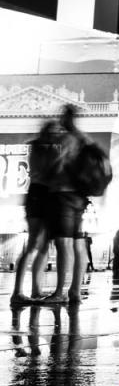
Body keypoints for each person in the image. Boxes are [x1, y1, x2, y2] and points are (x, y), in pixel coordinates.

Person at [42, 106, 98, 306]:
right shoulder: (85, 139)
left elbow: (57, 166)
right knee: (79, 244)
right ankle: (75, 291)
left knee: (63, 243)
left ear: (66, 118)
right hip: (81, 198)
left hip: (64, 195)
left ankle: (59, 292)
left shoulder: (67, 140)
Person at [10, 120, 63, 304]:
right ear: (48, 133)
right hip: (40, 195)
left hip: (40, 195)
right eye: (55, 132)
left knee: (42, 246)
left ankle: (35, 290)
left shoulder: (42, 147)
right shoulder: (43, 149)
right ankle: (18, 292)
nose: (58, 135)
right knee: (34, 244)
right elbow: (49, 173)